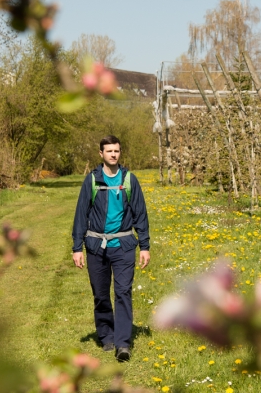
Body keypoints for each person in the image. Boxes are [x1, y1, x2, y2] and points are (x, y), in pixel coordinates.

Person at [72, 135, 150, 362]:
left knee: (123, 291)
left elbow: (140, 215)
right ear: (101, 154)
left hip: (123, 246)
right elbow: (80, 216)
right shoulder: (92, 180)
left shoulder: (129, 180)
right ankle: (106, 334)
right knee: (100, 294)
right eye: (109, 151)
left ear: (120, 153)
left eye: (116, 151)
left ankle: (122, 343)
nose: (113, 154)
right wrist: (77, 248)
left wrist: (144, 246)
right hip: (97, 247)